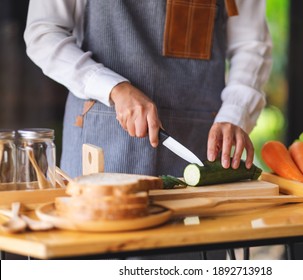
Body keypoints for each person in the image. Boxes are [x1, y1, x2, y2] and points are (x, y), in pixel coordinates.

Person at [24, 0, 272, 259]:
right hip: (98, 149)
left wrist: (236, 112)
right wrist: (112, 88)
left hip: (197, 155)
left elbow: (252, 46)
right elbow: (43, 33)